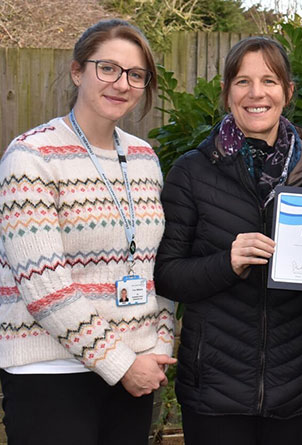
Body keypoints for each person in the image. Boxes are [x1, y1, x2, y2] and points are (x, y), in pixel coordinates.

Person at [154, 36, 302, 445]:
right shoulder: (191, 172)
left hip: (298, 386)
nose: (257, 93)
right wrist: (227, 262)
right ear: (226, 93)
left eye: (269, 81)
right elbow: (167, 275)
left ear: (288, 92)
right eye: (242, 81)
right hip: (215, 390)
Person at [0, 19, 176, 444]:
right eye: (108, 68)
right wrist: (119, 363)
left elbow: (158, 264)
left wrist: (159, 347)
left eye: (136, 75)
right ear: (78, 71)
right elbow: (44, 286)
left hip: (135, 368)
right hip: (51, 372)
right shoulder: (30, 156)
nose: (122, 84)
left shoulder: (144, 158)